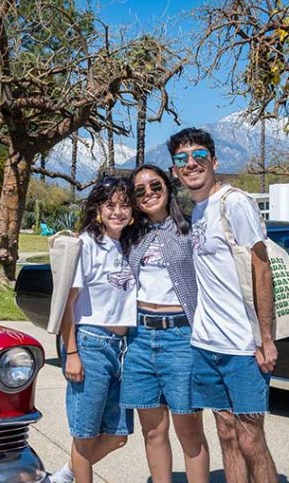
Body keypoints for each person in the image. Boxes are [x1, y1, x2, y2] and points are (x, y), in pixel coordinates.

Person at [168, 128, 278, 483]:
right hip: (206, 344)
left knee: (251, 438)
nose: (191, 164)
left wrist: (266, 337)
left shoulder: (235, 203)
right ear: (175, 171)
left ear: (214, 161)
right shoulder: (197, 211)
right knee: (226, 434)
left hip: (243, 347)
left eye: (199, 156)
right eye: (182, 159)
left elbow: (262, 268)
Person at [121, 164, 210, 483]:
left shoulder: (190, 230)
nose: (148, 194)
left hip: (181, 338)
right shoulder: (131, 235)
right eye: (140, 190)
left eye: (155, 186)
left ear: (168, 189)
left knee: (189, 430)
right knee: (152, 431)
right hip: (140, 339)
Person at [52, 176, 137, 483]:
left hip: (123, 349)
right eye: (110, 205)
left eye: (125, 205)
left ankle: (63, 476)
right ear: (98, 209)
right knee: (85, 436)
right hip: (91, 344)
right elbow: (66, 304)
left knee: (117, 435)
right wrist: (71, 352)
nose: (118, 211)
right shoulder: (86, 244)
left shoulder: (127, 245)